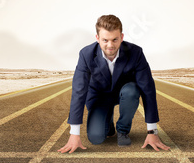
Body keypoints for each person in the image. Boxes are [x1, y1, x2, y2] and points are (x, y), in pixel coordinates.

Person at [58, 14, 170, 154]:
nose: (110, 45)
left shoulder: (136, 53)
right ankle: (108, 124)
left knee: (132, 91)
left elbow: (148, 89)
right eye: (105, 40)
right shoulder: (86, 54)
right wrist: (74, 134)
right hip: (99, 97)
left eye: (115, 40)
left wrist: (152, 131)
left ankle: (123, 130)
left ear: (122, 37)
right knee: (96, 138)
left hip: (125, 93)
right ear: (97, 38)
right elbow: (79, 91)